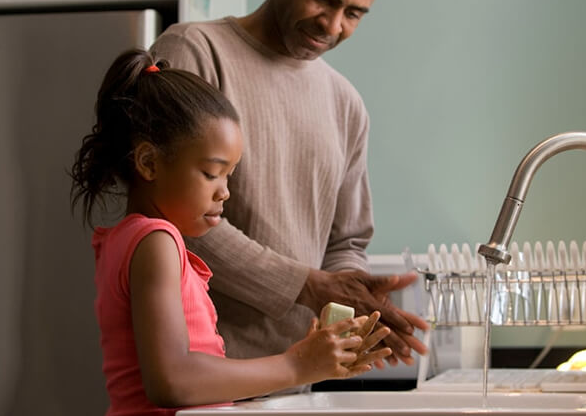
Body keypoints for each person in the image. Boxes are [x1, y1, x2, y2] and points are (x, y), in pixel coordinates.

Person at [150, 0, 428, 368]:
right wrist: (308, 285)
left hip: (296, 378)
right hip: (200, 374)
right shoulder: (194, 52)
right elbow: (171, 214)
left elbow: (346, 241)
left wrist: (353, 297)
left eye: (354, 13)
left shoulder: (347, 105)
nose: (333, 25)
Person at [70, 49, 391, 415]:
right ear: (148, 163)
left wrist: (307, 357)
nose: (224, 191)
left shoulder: (130, 239)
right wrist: (296, 365)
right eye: (211, 173)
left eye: (229, 175)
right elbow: (172, 380)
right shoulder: (156, 242)